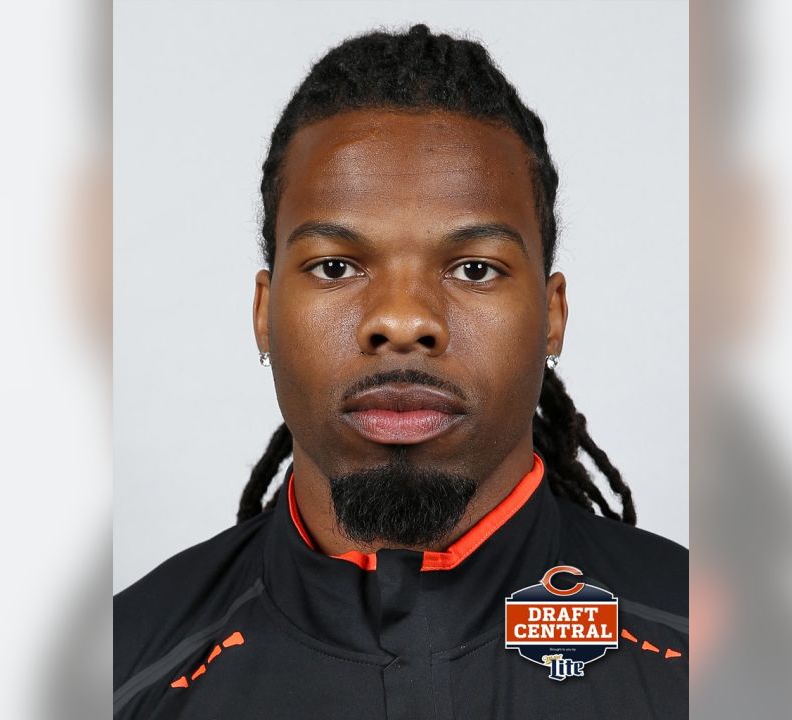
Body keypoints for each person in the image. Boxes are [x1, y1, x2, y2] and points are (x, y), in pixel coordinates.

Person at [114, 25, 686, 719]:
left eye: (474, 269)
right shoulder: (127, 668)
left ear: (552, 314)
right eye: (336, 266)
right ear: (265, 311)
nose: (404, 319)